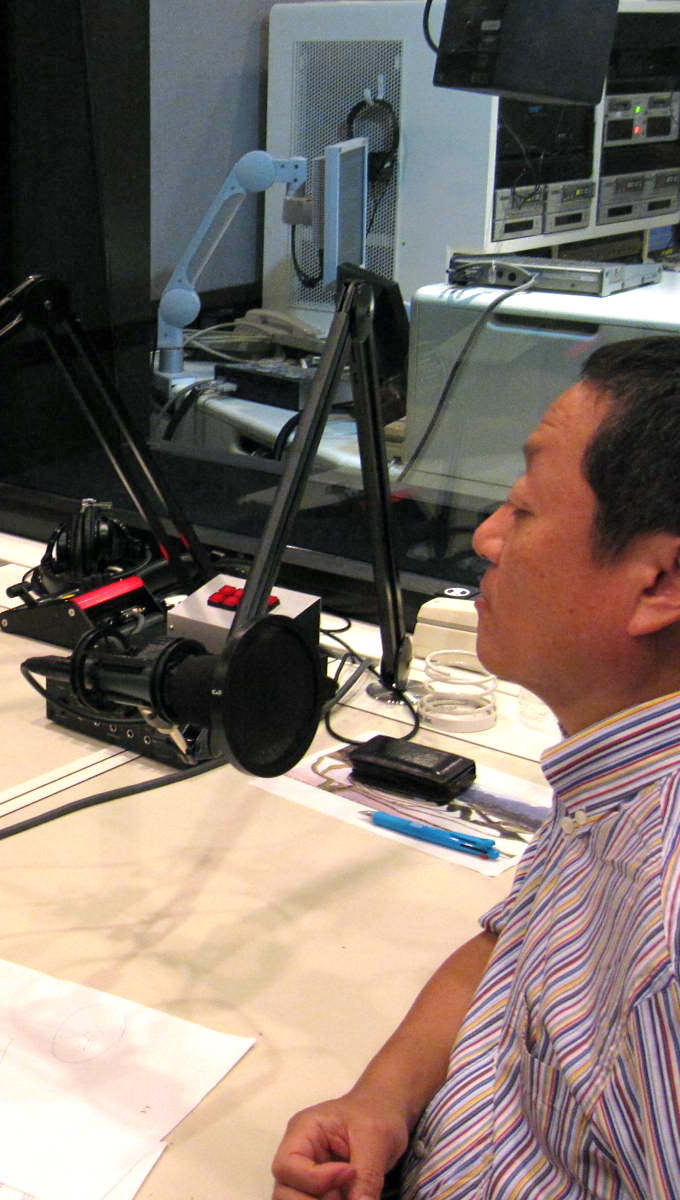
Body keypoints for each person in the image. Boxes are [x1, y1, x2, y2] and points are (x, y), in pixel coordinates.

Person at [270, 335, 680, 1199]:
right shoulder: (621, 771)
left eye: (524, 510)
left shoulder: (665, 921)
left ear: (659, 584)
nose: (488, 537)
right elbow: (514, 950)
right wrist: (383, 1099)